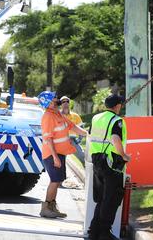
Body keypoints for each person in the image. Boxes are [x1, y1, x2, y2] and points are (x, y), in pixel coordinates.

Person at [38, 91, 87, 219]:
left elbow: (72, 126)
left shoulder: (57, 114)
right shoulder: (48, 116)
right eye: (54, 98)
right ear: (48, 102)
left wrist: (87, 134)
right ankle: (46, 208)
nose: (57, 99)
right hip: (52, 155)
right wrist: (55, 157)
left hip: (60, 154)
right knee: (55, 181)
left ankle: (52, 207)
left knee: (58, 180)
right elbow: (48, 139)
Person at [88, 94, 129, 240]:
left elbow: (90, 135)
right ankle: (104, 233)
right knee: (111, 198)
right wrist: (124, 155)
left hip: (97, 160)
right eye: (120, 105)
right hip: (111, 163)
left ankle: (93, 231)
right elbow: (115, 139)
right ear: (117, 106)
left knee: (101, 198)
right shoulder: (117, 121)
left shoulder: (96, 118)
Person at [60, 96, 85, 162]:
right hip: (61, 141)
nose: (65, 103)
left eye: (67, 101)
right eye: (63, 102)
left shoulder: (75, 116)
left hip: (73, 140)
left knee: (83, 157)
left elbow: (81, 128)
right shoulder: (57, 115)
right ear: (61, 104)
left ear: (69, 103)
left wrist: (79, 140)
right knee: (60, 161)